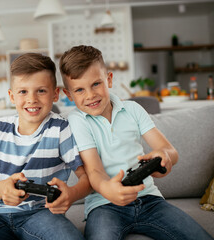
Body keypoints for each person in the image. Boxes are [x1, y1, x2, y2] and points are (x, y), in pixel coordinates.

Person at [59, 45, 213, 240]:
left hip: (149, 200)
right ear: (69, 94)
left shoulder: (133, 109)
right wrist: (109, 190)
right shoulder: (77, 120)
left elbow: (170, 151)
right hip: (104, 205)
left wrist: (164, 157)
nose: (90, 95)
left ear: (109, 79)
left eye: (96, 84)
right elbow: (94, 171)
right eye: (79, 89)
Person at [0, 53, 91, 240]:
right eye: (23, 91)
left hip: (42, 214)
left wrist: (72, 194)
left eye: (41, 91)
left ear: (55, 94)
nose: (32, 99)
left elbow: (86, 178)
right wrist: (4, 189)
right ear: (11, 95)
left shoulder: (60, 129)